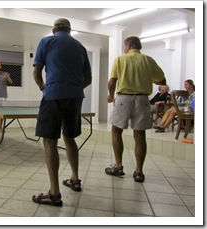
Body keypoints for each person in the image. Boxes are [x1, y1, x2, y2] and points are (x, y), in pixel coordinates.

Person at [32, 18, 92, 207]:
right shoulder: (80, 47)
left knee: (50, 141)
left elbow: (36, 72)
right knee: (70, 137)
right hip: (75, 97)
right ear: (70, 30)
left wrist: (44, 87)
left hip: (53, 95)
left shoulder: (46, 41)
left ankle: (54, 193)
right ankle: (75, 179)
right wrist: (73, 88)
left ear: (54, 29)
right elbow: (88, 78)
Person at [105, 36, 166, 183]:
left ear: (129, 46)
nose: (124, 49)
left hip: (123, 99)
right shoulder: (148, 60)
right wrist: (147, 78)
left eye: (124, 46)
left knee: (116, 131)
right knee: (139, 135)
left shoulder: (120, 59)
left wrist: (110, 95)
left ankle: (118, 166)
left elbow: (112, 80)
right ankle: (139, 172)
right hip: (142, 99)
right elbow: (162, 81)